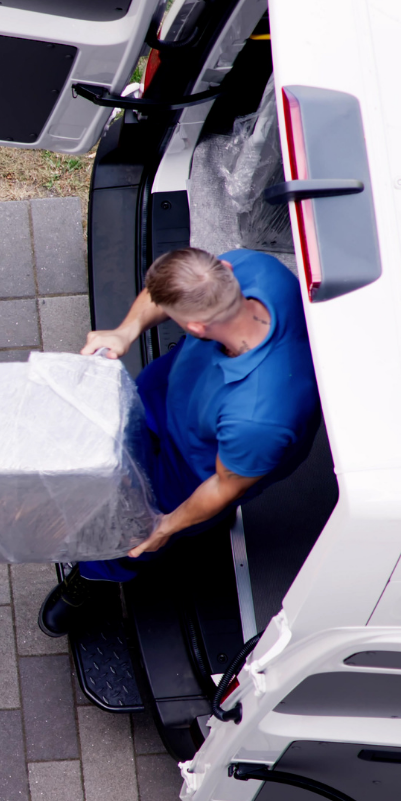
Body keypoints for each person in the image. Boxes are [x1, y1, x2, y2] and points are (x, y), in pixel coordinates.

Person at [41, 246, 322, 635]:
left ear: (195, 329)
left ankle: (98, 576)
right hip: (168, 394)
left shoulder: (260, 416)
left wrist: (166, 526)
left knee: (133, 530)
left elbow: (224, 486)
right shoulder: (252, 268)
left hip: (193, 468)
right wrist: (126, 331)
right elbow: (163, 292)